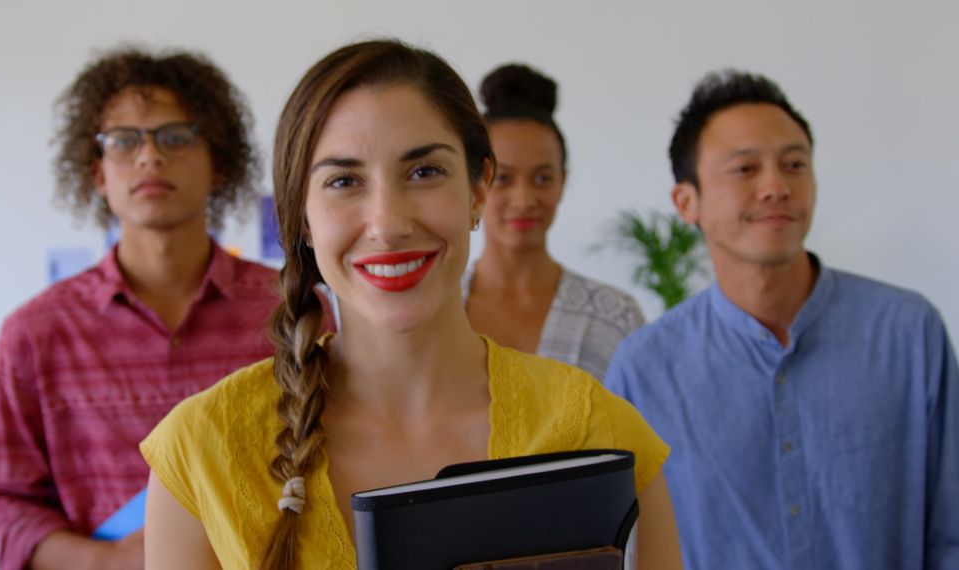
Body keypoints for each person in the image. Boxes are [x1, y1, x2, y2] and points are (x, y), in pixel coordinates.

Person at [140, 40, 683, 569]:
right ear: (302, 217)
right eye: (344, 180)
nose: (388, 224)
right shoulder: (202, 453)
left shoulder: (596, 433)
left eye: (424, 172)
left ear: (477, 189)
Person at [605, 69, 959, 569]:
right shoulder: (644, 370)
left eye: (794, 164)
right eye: (745, 169)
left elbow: (951, 534)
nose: (776, 186)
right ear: (687, 202)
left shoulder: (907, 333)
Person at [0, 47, 290, 570]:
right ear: (98, 175)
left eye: (175, 136)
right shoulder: (35, 332)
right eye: (124, 141)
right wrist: (105, 560)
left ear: (219, 165)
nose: (149, 156)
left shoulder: (292, 311)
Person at [464, 63, 644, 382]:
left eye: (542, 178)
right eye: (503, 178)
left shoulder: (615, 317)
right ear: (475, 185)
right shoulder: (435, 305)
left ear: (563, 181)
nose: (524, 199)